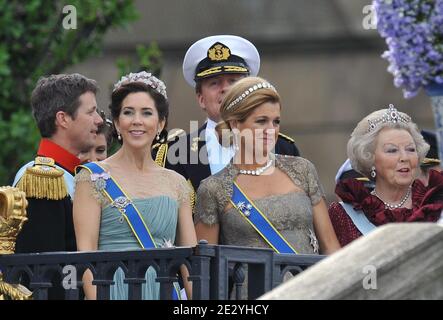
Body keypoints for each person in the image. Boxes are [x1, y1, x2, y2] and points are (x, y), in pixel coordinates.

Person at [73, 71, 197, 300]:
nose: (137, 121)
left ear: (160, 123)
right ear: (118, 124)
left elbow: (190, 262)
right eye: (128, 112)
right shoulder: (91, 177)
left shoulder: (177, 183)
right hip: (114, 290)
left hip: (164, 292)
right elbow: (86, 258)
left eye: (147, 113)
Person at [194, 76, 340, 255]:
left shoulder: (302, 169)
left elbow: (330, 247)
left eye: (276, 121)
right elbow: (206, 267)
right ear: (235, 124)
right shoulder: (213, 189)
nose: (271, 129)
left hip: (308, 282)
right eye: (261, 121)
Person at [152, 35, 300, 197]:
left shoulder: (284, 148)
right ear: (201, 99)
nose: (225, 89)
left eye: (233, 81)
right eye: (214, 83)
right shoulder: (175, 152)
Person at [12, 73, 103, 254]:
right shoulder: (42, 179)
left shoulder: (70, 173)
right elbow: (45, 273)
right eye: (91, 112)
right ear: (63, 119)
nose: (99, 120)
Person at [328, 105, 443, 247]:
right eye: (392, 150)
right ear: (370, 159)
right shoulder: (344, 214)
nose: (404, 157)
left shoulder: (436, 205)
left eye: (411, 149)